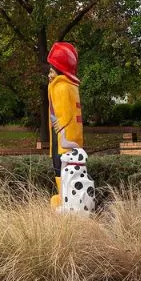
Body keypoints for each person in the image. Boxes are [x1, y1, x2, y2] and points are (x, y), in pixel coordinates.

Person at [47, 42, 83, 208]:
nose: (49, 74)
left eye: (52, 70)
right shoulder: (70, 86)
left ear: (60, 70)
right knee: (64, 166)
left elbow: (63, 115)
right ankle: (65, 196)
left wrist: (57, 127)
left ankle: (64, 197)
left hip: (63, 138)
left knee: (60, 165)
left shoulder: (61, 87)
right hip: (70, 137)